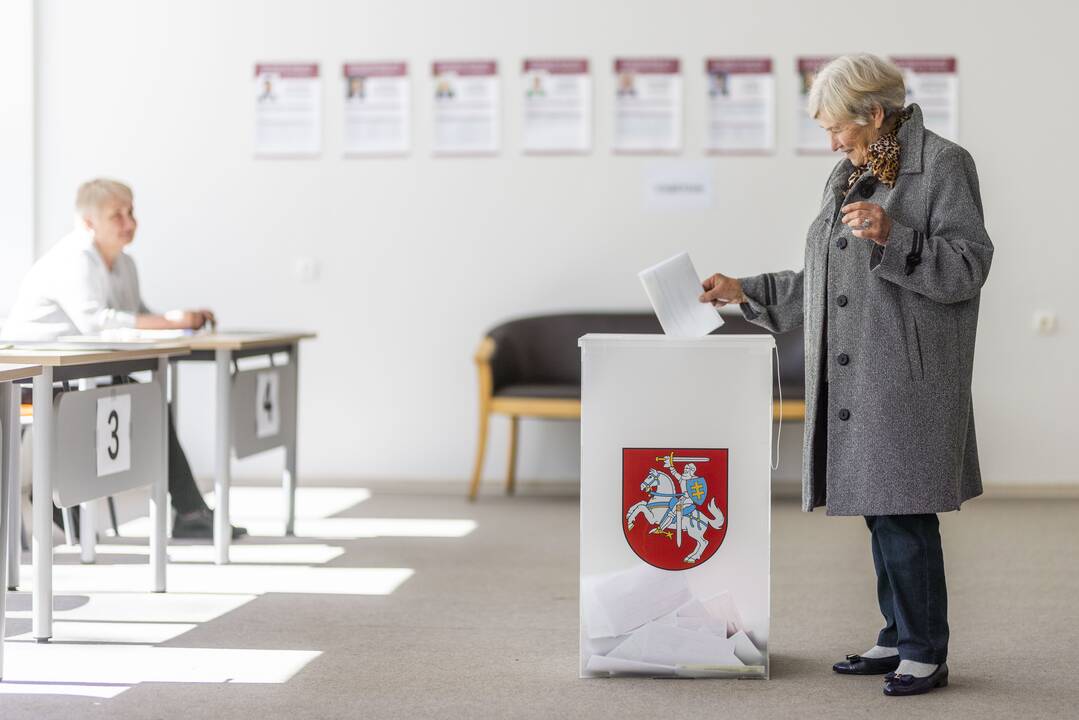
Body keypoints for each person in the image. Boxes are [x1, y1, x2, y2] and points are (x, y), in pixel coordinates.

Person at [698, 54, 992, 697]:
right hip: (860, 373)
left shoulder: (943, 164)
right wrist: (743, 288)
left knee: (904, 512)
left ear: (876, 115)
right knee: (880, 512)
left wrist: (894, 234)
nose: (830, 142)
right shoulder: (848, 174)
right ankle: (896, 635)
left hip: (907, 375)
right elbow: (824, 279)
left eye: (835, 128)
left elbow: (969, 266)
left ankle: (924, 651)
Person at [2, 178, 246, 540]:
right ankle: (188, 510)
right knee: (147, 407)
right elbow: (97, 323)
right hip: (34, 375)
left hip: (84, 372)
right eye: (117, 215)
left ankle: (188, 510)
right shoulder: (74, 259)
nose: (129, 222)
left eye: (131, 211)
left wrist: (181, 321)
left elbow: (141, 317)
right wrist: (170, 322)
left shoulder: (125, 264)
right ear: (88, 223)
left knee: (148, 405)